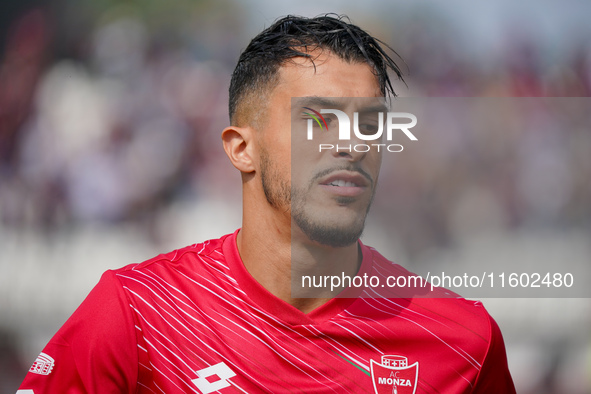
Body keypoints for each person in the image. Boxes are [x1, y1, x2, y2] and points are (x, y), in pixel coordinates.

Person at [18, 14, 515, 393]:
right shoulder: (137, 315)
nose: (352, 145)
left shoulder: (463, 341)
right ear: (241, 148)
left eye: (369, 125)